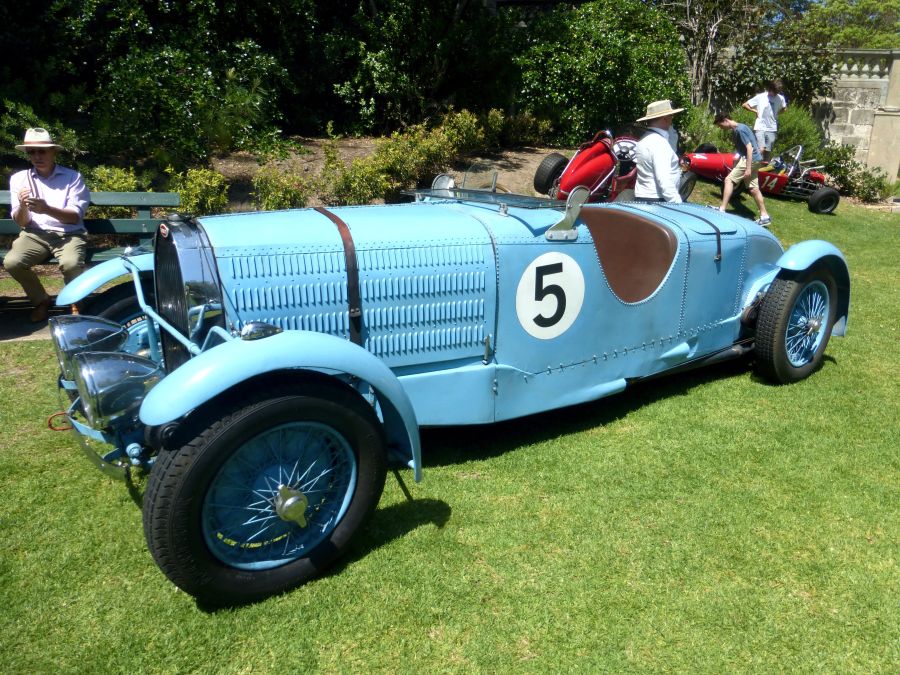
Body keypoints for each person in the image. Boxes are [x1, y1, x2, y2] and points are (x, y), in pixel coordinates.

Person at [4, 128, 90, 322]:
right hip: (34, 234)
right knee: (12, 262)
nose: (36, 156)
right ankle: (41, 301)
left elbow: (74, 218)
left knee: (70, 264)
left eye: (42, 151)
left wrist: (46, 209)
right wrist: (23, 206)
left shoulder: (72, 177)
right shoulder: (19, 179)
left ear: (53, 152)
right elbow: (22, 222)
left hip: (68, 234)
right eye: (31, 152)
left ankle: (75, 302)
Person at [713, 111, 771, 227]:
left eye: (720, 125)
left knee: (729, 180)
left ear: (725, 120)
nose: (720, 128)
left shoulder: (740, 130)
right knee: (753, 189)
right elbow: (745, 149)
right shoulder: (739, 128)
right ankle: (765, 216)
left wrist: (748, 168)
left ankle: (722, 209)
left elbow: (749, 149)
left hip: (751, 160)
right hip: (756, 159)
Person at [633, 100, 685, 203]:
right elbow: (664, 180)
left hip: (643, 197)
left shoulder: (644, 138)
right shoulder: (659, 143)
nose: (671, 119)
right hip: (657, 201)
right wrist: (678, 204)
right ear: (665, 118)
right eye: (671, 116)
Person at [742, 79, 787, 161]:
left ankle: (763, 167)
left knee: (767, 151)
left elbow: (784, 108)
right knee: (761, 148)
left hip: (772, 127)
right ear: (769, 88)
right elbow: (745, 105)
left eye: (775, 92)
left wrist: (777, 113)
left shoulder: (780, 98)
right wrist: (755, 111)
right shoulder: (761, 97)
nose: (772, 93)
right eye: (771, 91)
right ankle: (751, 163)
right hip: (760, 126)